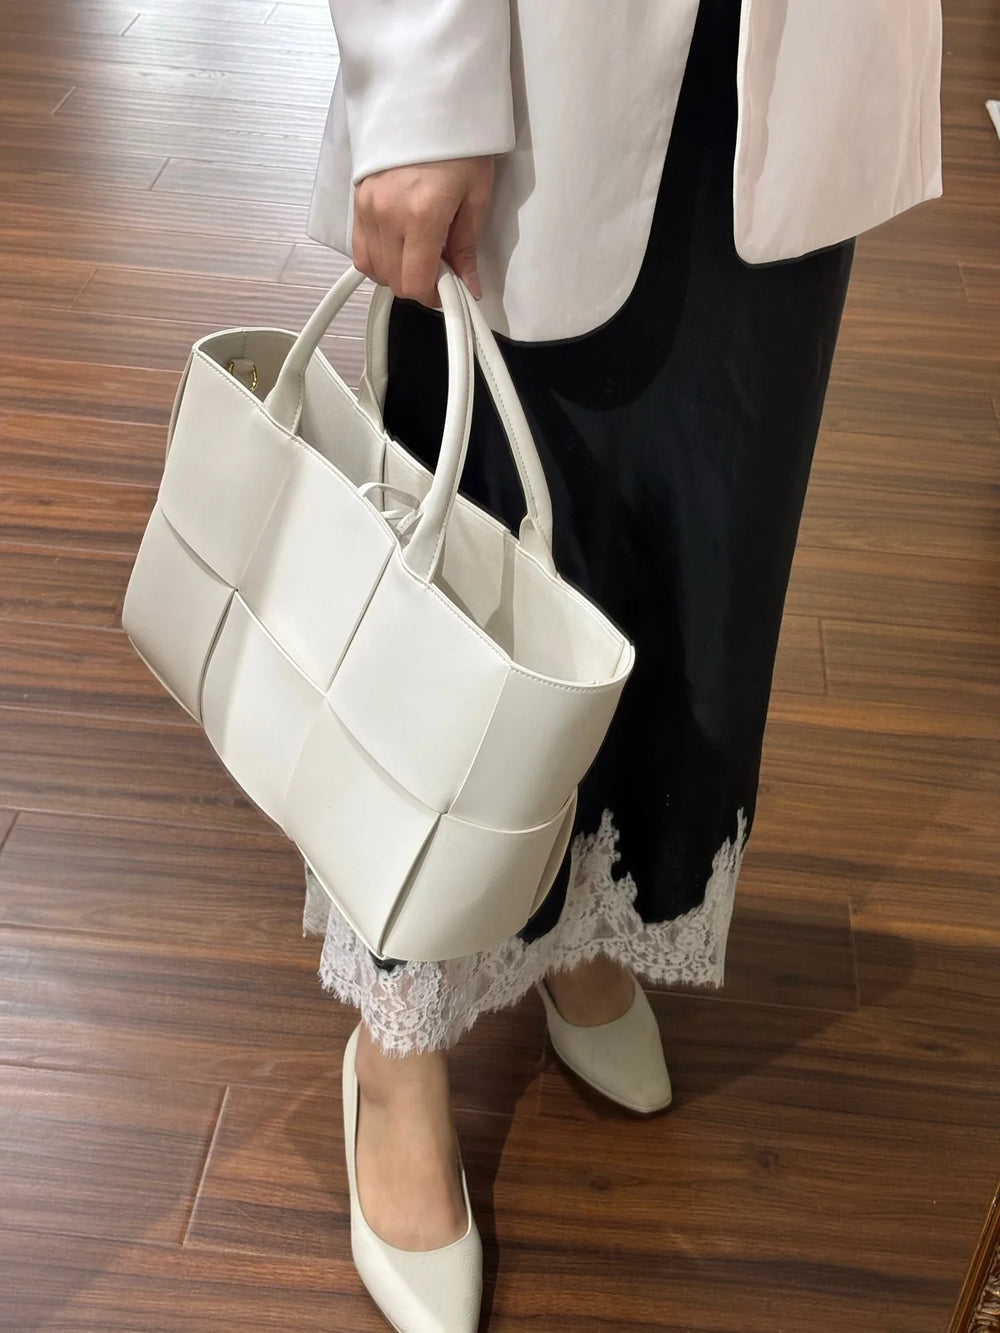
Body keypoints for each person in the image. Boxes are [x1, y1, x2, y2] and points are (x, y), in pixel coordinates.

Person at [303, 2, 943, 1329]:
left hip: (807, 48)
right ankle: (395, 1045)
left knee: (699, 540)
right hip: (531, 55)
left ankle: (577, 916)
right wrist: (418, 84)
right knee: (472, 558)